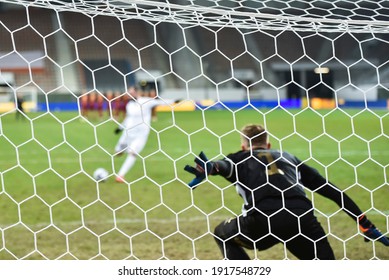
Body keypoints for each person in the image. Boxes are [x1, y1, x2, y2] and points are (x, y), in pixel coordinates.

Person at [184, 124, 389, 260]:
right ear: (269, 144)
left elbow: (223, 166)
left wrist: (210, 167)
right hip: (301, 218)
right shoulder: (289, 157)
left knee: (221, 234)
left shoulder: (240, 157)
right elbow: (332, 191)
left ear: (244, 146)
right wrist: (364, 223)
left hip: (262, 221)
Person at [114, 87, 177, 183]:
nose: (129, 95)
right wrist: (120, 128)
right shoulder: (129, 105)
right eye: (128, 93)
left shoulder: (146, 101)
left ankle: (121, 175)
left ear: (136, 92)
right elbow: (128, 118)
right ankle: (121, 152)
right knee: (118, 152)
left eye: (131, 92)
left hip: (141, 134)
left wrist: (175, 100)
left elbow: (159, 102)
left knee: (133, 153)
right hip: (127, 133)